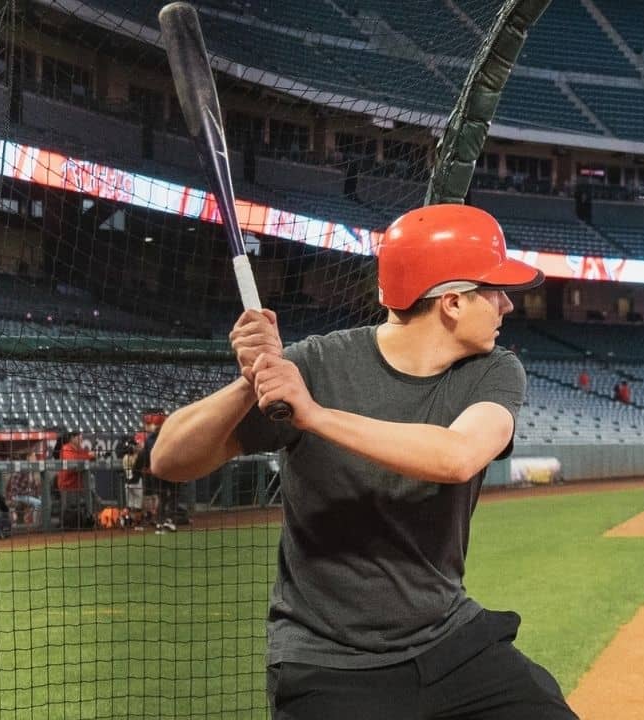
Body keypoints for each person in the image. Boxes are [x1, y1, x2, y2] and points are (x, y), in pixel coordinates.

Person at [149, 204, 577, 719]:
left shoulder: (493, 371)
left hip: (446, 640)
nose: (507, 305)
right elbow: (169, 458)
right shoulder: (316, 364)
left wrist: (314, 414)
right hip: (329, 663)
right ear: (453, 303)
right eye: (495, 290)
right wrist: (251, 381)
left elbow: (457, 455)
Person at [135, 411, 177, 533]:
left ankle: (162, 522)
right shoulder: (166, 436)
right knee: (170, 496)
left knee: (162, 497)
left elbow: (145, 456)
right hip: (166, 471)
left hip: (156, 472)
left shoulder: (150, 439)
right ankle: (166, 521)